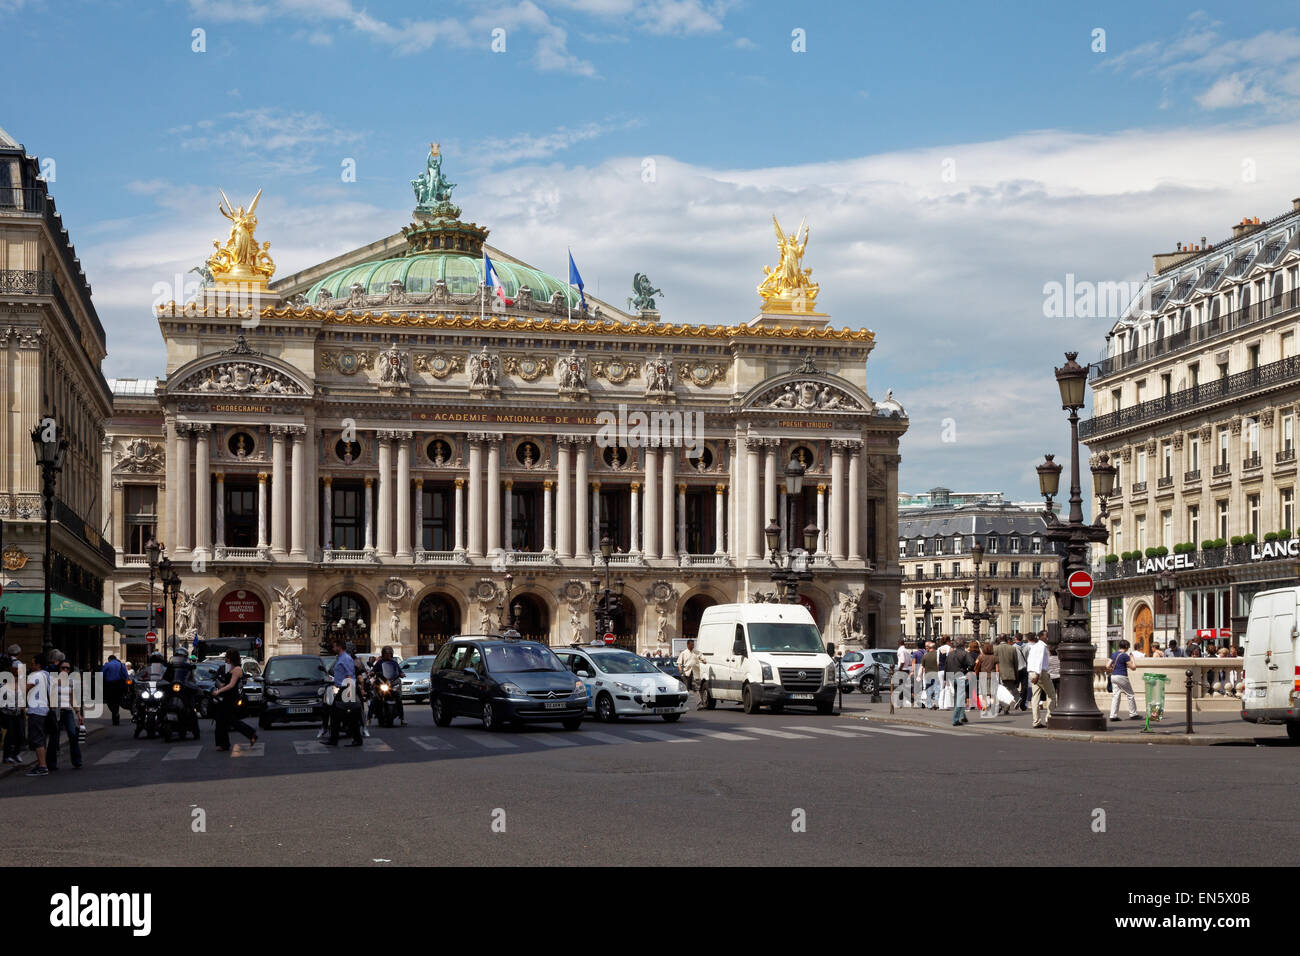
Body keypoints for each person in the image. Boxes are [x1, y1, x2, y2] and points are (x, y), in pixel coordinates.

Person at [211, 649, 257, 751]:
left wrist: (218, 692)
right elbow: (226, 683)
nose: (225, 659)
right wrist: (219, 685)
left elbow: (231, 685)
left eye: (227, 657)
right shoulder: (230, 668)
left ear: (231, 658)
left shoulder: (237, 669)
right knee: (225, 720)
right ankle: (225, 743)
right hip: (226, 697)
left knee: (226, 720)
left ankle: (225, 743)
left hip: (230, 698)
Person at [46, 652, 82, 770]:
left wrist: (78, 712)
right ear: (59, 668)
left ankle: (77, 761)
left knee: (72, 734)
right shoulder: (53, 680)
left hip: (67, 711)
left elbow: (72, 698)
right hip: (55, 711)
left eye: (67, 668)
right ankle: (51, 764)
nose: (65, 670)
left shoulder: (71, 682)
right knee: (54, 737)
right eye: (63, 667)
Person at [327, 638, 363, 747]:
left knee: (339, 715)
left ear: (339, 647)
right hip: (344, 688)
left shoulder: (346, 658)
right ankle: (353, 739)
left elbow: (349, 674)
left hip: (346, 688)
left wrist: (348, 690)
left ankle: (335, 740)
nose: (333, 648)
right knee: (346, 716)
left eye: (334, 646)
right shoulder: (341, 658)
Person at [24, 654, 52, 776]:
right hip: (44, 709)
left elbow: (24, 689)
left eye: (33, 663)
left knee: (37, 739)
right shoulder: (46, 674)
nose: (31, 665)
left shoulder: (34, 676)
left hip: (36, 711)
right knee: (41, 738)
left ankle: (42, 766)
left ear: (38, 665)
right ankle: (42, 763)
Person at [1025, 632, 1056, 728]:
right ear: (1042, 637)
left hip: (1031, 672)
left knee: (1035, 697)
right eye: (1047, 636)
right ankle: (1049, 718)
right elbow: (1039, 661)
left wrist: (1032, 674)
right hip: (1040, 673)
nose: (1048, 638)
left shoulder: (1034, 646)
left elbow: (1030, 660)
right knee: (1052, 695)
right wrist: (1038, 674)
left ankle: (1036, 721)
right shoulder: (1042, 647)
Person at [1107, 640, 1140, 720]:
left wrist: (1113, 669)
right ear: (1126, 647)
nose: (1128, 648)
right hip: (1122, 676)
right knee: (1130, 694)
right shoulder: (1125, 656)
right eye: (1128, 647)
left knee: (1116, 696)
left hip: (1113, 676)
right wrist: (1132, 659)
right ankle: (1133, 714)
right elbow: (1133, 668)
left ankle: (1113, 715)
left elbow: (1107, 665)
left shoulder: (1114, 654)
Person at [1, 648, 24, 764]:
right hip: (7, 711)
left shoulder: (17, 679)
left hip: (17, 711)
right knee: (10, 735)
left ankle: (16, 753)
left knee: (20, 734)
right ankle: (7, 756)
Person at [947, 639, 974, 725]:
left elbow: (946, 666)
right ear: (963, 645)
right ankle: (955, 719)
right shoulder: (964, 653)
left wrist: (946, 678)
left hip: (951, 676)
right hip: (960, 676)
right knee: (960, 697)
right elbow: (972, 663)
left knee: (957, 697)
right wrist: (967, 670)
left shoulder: (950, 654)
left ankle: (963, 716)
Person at [994, 636, 1019, 716]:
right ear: (1006, 640)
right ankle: (1006, 709)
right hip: (1010, 672)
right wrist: (1016, 674)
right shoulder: (1012, 648)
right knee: (1008, 690)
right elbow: (1016, 663)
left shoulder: (995, 649)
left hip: (999, 673)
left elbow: (994, 662)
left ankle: (1000, 706)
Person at [102, 653, 129, 725]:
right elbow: (126, 676)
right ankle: (116, 715)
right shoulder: (121, 665)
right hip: (119, 685)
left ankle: (115, 713)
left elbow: (102, 674)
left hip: (109, 685)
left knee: (109, 701)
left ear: (109, 659)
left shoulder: (107, 665)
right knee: (117, 701)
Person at [975, 641, 999, 718]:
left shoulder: (981, 657)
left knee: (983, 693)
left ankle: (985, 707)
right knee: (992, 694)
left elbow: (976, 664)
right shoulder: (995, 657)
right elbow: (997, 669)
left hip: (983, 676)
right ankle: (991, 706)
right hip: (992, 676)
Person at [920, 641, 939, 709]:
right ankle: (935, 703)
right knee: (936, 689)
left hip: (927, 674)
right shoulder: (937, 655)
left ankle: (929, 704)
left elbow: (922, 667)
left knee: (928, 689)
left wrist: (919, 675)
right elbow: (938, 664)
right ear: (935, 648)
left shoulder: (925, 656)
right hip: (936, 674)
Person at [1014, 634, 1030, 711]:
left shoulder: (1013, 647)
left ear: (1015, 638)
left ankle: (1017, 698)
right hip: (1024, 668)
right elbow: (1029, 657)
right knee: (1024, 687)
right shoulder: (1027, 646)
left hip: (1016, 669)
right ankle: (1023, 704)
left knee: (1014, 686)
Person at [1046, 632, 1061, 696]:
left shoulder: (1048, 659)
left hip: (1051, 677)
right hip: (1059, 676)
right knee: (1060, 693)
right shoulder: (1060, 659)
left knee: (1052, 694)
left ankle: (1053, 705)